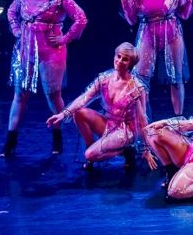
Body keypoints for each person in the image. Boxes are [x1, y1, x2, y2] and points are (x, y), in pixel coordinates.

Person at [0, 0, 88, 158]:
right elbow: (11, 12)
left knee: (53, 95)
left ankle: (58, 136)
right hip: (26, 50)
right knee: (20, 95)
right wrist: (16, 30)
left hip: (51, 52)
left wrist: (65, 38)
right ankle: (10, 141)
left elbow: (81, 18)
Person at [46, 42, 156, 170]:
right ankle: (92, 149)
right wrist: (63, 114)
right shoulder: (105, 79)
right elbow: (84, 97)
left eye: (125, 59)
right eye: (118, 56)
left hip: (125, 130)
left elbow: (142, 120)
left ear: (131, 64)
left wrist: (146, 148)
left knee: (89, 155)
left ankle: (126, 151)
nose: (120, 61)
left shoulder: (136, 88)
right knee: (79, 113)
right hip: (108, 122)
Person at [121, 0, 193, 116]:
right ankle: (144, 119)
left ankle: (178, 119)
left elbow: (185, 15)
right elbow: (131, 20)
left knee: (176, 77)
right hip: (148, 32)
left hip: (172, 31)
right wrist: (124, 1)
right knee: (141, 77)